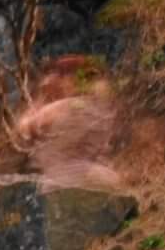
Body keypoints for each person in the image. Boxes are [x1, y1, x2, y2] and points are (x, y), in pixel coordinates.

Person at [12, 59, 122, 190]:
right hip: (91, 177)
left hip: (73, 179)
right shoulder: (94, 107)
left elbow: (25, 127)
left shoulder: (75, 106)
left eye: (60, 74)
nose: (49, 79)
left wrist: (37, 105)